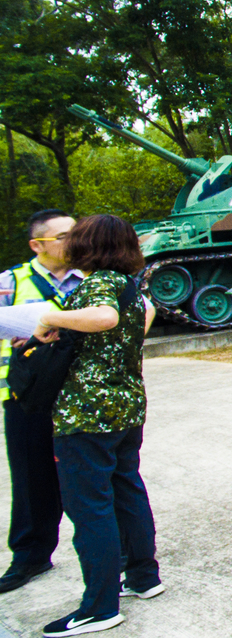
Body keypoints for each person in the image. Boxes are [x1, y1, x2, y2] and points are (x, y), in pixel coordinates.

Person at [31, 215, 161, 637]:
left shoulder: (98, 284)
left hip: (87, 413)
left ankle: (99, 606)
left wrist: (52, 318)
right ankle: (143, 576)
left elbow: (104, 318)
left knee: (90, 507)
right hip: (126, 407)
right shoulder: (134, 289)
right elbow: (141, 319)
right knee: (126, 489)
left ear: (87, 245)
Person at [0, 210, 80, 595]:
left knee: (91, 476)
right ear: (38, 244)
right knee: (31, 478)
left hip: (79, 395)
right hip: (25, 395)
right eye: (64, 236)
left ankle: (114, 554)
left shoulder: (94, 279)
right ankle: (31, 555)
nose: (74, 241)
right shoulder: (10, 282)